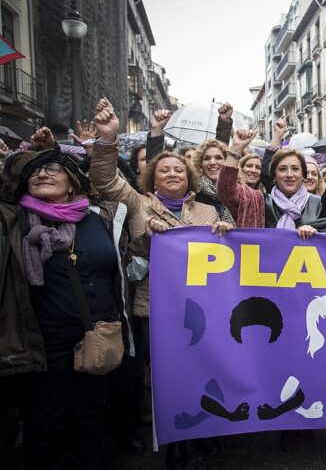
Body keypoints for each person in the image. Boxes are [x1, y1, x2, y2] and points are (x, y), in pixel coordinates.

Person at [88, 98, 231, 469]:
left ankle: (203, 430)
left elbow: (228, 254)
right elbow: (104, 180)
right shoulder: (139, 205)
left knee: (201, 370)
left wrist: (225, 234)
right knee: (166, 376)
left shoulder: (208, 211)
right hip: (155, 307)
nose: (172, 174)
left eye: (179, 170)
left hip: (201, 309)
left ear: (189, 178)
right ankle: (173, 440)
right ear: (152, 178)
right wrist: (106, 139)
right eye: (164, 170)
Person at [0, 144, 133, 469]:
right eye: (34, 171)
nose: (42, 174)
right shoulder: (14, 220)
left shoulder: (100, 218)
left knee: (91, 417)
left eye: (53, 168)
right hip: (44, 345)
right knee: (45, 423)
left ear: (72, 181)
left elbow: (127, 258)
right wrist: (35, 152)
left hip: (99, 336)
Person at [261, 118, 326, 234]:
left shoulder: (320, 204)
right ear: (274, 176)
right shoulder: (263, 203)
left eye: (295, 169)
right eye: (282, 169)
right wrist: (277, 136)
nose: (289, 174)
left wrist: (317, 230)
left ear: (303, 175)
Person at [216, 129, 266, 229]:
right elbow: (226, 188)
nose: (253, 170)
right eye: (249, 166)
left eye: (258, 167)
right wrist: (236, 148)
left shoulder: (266, 197)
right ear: (241, 169)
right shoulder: (238, 193)